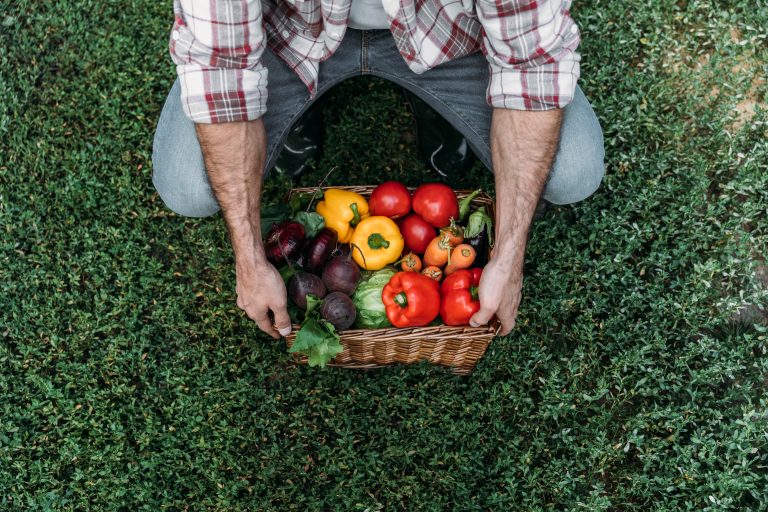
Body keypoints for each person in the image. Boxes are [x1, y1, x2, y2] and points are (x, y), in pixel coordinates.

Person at [152, 0, 605, 340]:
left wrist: (509, 255)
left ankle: (433, 99)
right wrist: (249, 258)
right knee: (188, 185)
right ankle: (297, 105)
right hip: (290, 35)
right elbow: (220, 70)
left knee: (573, 171)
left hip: (446, 36)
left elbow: (531, 66)